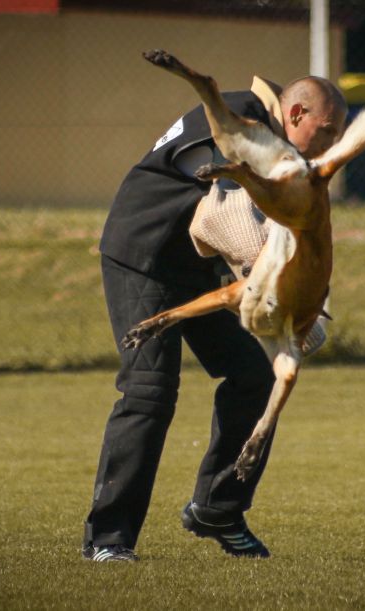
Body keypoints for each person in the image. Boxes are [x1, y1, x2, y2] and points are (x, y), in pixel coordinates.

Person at [82, 72, 347, 562]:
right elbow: (226, 209)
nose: (332, 143)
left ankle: (218, 509)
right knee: (149, 391)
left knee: (255, 373)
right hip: (143, 256)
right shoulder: (233, 120)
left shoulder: (281, 151)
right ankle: (108, 538)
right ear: (296, 115)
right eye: (327, 130)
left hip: (198, 269)